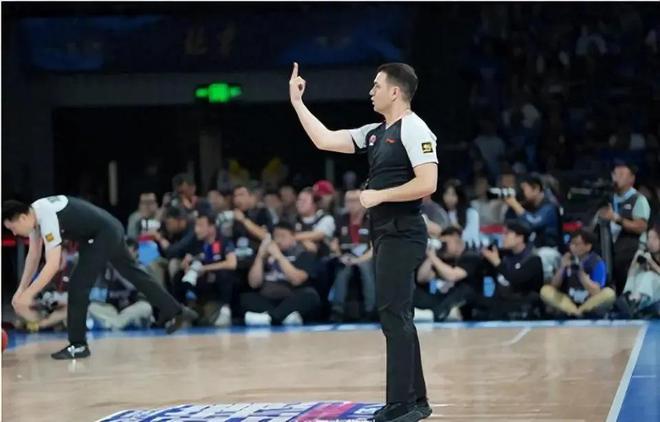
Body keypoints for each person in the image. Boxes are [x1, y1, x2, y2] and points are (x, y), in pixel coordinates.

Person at [290, 61, 436, 421]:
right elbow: (325, 139)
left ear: (395, 92)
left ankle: (401, 405)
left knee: (393, 314)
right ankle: (416, 401)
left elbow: (427, 183)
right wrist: (297, 103)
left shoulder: (415, 128)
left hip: (404, 230)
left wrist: (378, 195)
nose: (371, 92)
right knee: (398, 315)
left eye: (376, 86)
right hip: (385, 232)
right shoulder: (374, 133)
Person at [3, 197, 197, 360]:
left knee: (78, 285)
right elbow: (34, 256)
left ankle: (78, 345)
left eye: (13, 228)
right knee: (134, 274)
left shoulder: (46, 216)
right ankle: (177, 311)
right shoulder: (36, 214)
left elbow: (52, 264)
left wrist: (29, 294)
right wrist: (20, 291)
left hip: (102, 234)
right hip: (107, 230)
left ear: (22, 217)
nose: (14, 233)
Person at [241, 222, 320, 326]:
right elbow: (254, 283)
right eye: (276, 237)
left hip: (290, 298)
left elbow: (297, 280)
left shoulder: (303, 253)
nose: (278, 240)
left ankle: (269, 318)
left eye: (283, 236)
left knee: (310, 295)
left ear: (293, 237)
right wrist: (260, 256)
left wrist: (278, 256)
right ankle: (282, 317)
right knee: (245, 298)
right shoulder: (265, 255)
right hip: (267, 298)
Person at [596, 162, 651, 294]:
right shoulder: (607, 199)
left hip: (631, 254)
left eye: (622, 174)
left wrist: (617, 219)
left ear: (632, 179)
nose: (617, 178)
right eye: (615, 174)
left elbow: (641, 227)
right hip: (610, 253)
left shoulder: (638, 199)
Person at [415, 227, 484, 322]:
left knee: (464, 289)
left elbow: (452, 276)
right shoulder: (442, 259)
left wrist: (433, 258)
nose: (442, 247)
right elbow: (421, 278)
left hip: (472, 303)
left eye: (445, 244)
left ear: (456, 240)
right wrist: (432, 255)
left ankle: (442, 312)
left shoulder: (470, 256)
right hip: (445, 299)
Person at [541, 229, 615, 317]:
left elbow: (596, 291)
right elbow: (554, 286)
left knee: (609, 293)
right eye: (571, 244)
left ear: (588, 246)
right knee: (545, 290)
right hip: (569, 301)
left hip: (589, 301)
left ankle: (580, 311)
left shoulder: (597, 262)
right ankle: (574, 311)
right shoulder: (567, 258)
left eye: (576, 244)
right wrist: (562, 267)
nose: (572, 247)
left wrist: (581, 273)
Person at [480, 220, 544, 319]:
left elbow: (515, 279)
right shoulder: (502, 256)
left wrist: (497, 263)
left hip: (524, 308)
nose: (503, 237)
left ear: (520, 238)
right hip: (500, 306)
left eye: (507, 234)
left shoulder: (533, 259)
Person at [329, 189, 375, 322]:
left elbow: (374, 249)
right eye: (348, 201)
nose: (351, 204)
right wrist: (340, 256)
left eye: (355, 201)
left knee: (365, 267)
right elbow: (334, 244)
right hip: (346, 257)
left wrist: (358, 260)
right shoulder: (340, 220)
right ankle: (337, 310)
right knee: (342, 268)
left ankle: (370, 309)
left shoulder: (371, 220)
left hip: (365, 258)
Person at [617, 225, 660, 317]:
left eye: (655, 238)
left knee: (648, 275)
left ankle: (634, 302)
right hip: (647, 295)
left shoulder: (650, 259)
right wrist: (635, 263)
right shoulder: (646, 254)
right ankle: (629, 299)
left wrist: (652, 263)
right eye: (649, 238)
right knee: (639, 274)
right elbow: (631, 275)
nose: (651, 242)